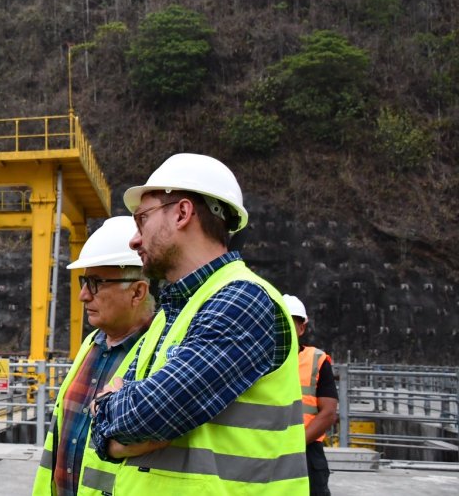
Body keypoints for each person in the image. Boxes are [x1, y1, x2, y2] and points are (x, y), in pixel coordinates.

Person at [89, 153, 308, 494]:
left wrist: (116, 418)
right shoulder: (171, 314)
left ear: (182, 213)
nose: (134, 240)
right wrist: (111, 425)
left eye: (142, 219)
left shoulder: (243, 301)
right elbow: (106, 414)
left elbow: (150, 414)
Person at [32, 217, 153, 496]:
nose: (83, 296)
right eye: (83, 282)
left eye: (96, 283)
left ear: (137, 292)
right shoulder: (91, 344)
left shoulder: (158, 354)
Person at [283, 294, 338, 496]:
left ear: (301, 328)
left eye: (290, 322)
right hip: (266, 448)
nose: (284, 329)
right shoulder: (257, 360)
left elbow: (329, 412)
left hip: (307, 452)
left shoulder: (317, 360)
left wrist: (295, 444)